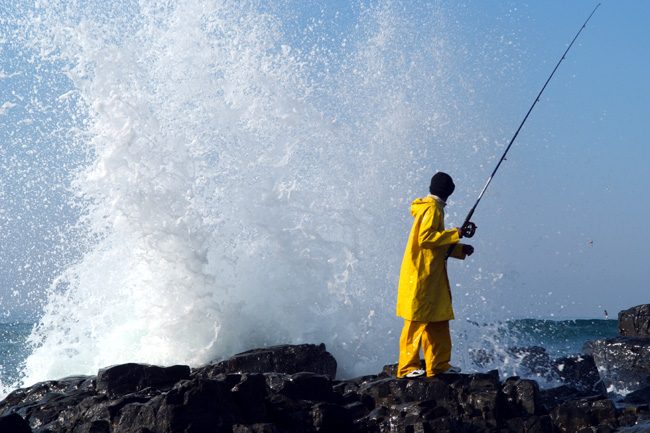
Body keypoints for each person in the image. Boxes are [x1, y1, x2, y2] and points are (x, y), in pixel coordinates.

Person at [396, 172, 475, 378]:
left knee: (438, 319)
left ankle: (439, 365)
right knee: (416, 320)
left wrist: (459, 249)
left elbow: (436, 246)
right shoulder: (432, 208)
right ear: (449, 191)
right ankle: (407, 368)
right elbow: (426, 239)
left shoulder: (433, 207)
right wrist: (456, 233)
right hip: (421, 276)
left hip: (432, 276)